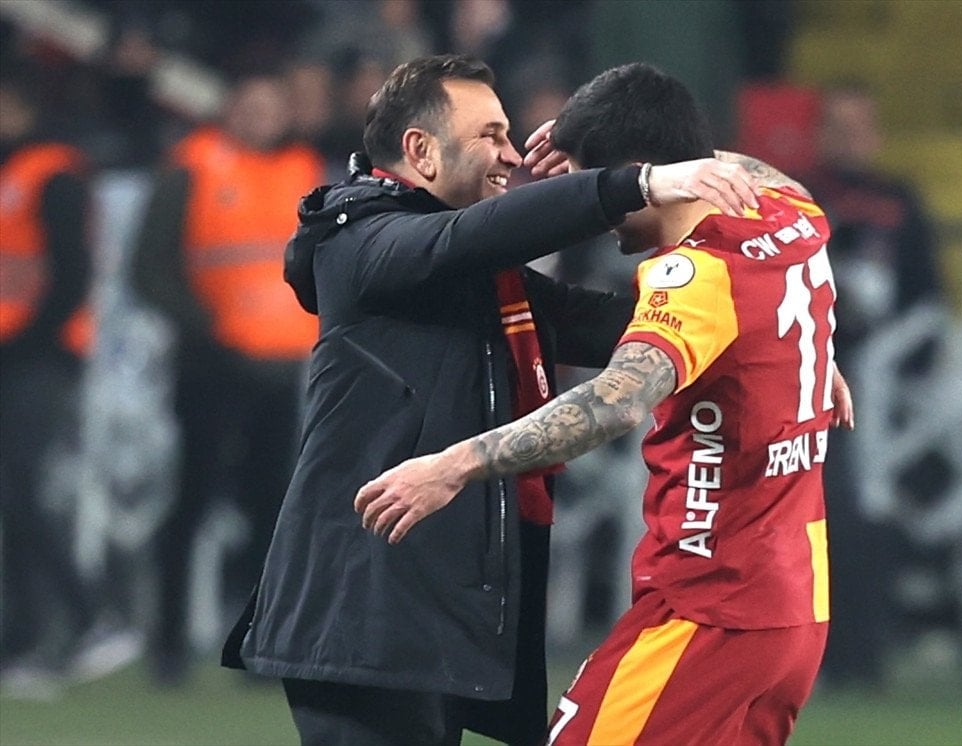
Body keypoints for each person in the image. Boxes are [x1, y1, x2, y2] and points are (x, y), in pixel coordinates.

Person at [223, 54, 760, 746]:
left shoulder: (473, 273)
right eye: (491, 135)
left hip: (431, 613)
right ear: (420, 150)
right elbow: (469, 236)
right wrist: (638, 182)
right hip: (363, 613)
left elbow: (613, 323)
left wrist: (767, 332)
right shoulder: (357, 240)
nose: (513, 155)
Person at [357, 63, 852, 744]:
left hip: (710, 606)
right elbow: (757, 178)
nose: (596, 210)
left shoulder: (696, 275)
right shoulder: (788, 210)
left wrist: (453, 466)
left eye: (596, 183)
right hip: (795, 612)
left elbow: (615, 402)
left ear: (644, 172)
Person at [131, 71, 325, 685]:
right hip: (209, 368)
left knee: (272, 512)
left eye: (270, 105)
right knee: (192, 501)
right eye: (250, 104)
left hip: (282, 369)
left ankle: (259, 646)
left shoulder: (303, 170)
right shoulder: (191, 168)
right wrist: (207, 328)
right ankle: (168, 645)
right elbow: (149, 268)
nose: (260, 116)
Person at [805, 81, 941, 690]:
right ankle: (831, 649)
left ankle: (869, 646)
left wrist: (916, 373)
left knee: (872, 510)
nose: (850, 139)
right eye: (839, 126)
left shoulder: (899, 203)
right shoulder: (799, 197)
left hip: (887, 381)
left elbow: (927, 296)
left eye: (860, 127)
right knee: (829, 510)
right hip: (818, 378)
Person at [0, 66, 115, 690]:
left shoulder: (51, 173)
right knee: (14, 495)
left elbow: (71, 276)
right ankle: (22, 636)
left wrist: (29, 340)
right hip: (22, 353)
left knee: (22, 489)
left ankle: (86, 615)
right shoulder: (23, 170)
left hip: (38, 356)